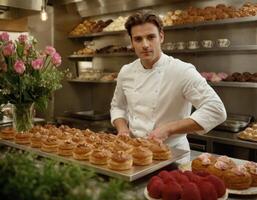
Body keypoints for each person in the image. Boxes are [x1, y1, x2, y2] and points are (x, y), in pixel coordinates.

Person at [110, 10, 227, 153]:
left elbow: (216, 109)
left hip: (172, 152)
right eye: (138, 39)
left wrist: (169, 129)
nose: (145, 44)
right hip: (135, 151)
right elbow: (118, 106)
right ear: (132, 42)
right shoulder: (126, 71)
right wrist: (122, 130)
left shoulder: (182, 71)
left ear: (161, 37)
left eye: (151, 37)